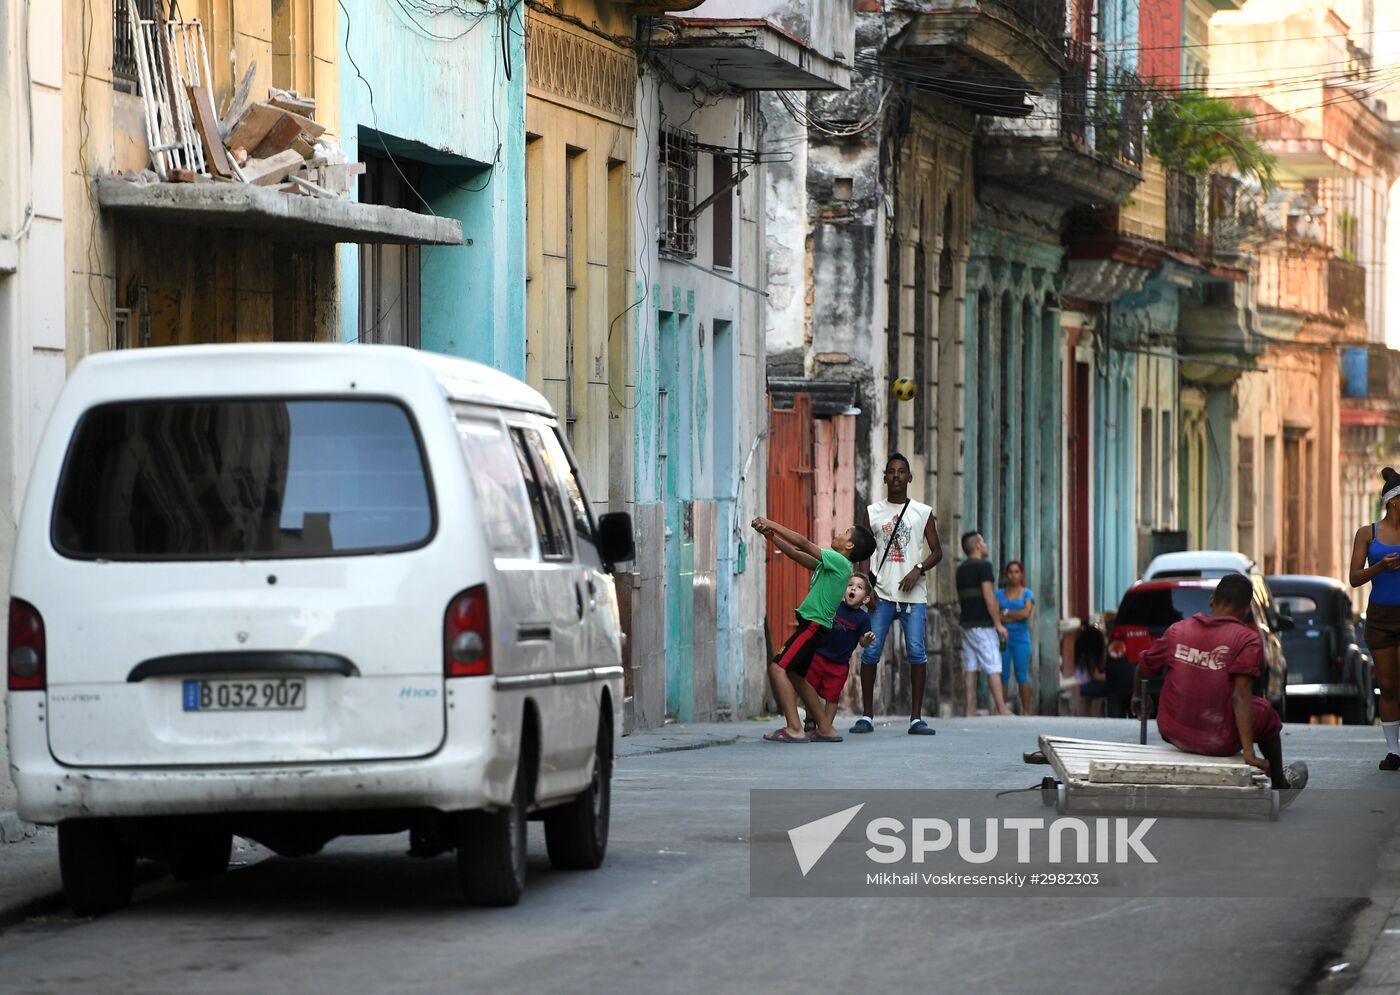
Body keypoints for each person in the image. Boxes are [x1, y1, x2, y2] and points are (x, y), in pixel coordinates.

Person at [1135, 574, 1307, 796]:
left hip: (1172, 730)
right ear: (1245, 611)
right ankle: (1279, 784)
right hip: (1219, 740)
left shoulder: (1178, 630)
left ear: (1211, 600)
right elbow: (1240, 696)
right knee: (1265, 711)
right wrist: (1249, 754)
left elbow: (1142, 667)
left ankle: (1278, 781)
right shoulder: (1247, 639)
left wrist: (1138, 698)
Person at [753, 516, 877, 743]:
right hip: (814, 626)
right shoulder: (832, 565)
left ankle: (794, 728)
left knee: (777, 668)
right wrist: (770, 537)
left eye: (845, 532)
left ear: (849, 546)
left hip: (813, 625)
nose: (839, 533)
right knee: (796, 676)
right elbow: (797, 554)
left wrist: (772, 524)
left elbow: (802, 543)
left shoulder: (840, 562)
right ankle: (826, 727)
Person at [850, 453, 944, 736]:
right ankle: (867, 715)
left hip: (913, 596)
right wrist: (866, 587)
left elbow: (937, 551)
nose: (896, 476)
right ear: (884, 478)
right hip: (881, 594)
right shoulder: (873, 511)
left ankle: (916, 718)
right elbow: (864, 552)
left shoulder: (922, 512)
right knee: (871, 651)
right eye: (891, 472)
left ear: (910, 477)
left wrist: (918, 568)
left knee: (916, 651)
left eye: (902, 472)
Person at [1348, 465, 1400, 770]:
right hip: (1380, 617)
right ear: (1394, 501)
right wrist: (1382, 567)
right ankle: (1394, 751)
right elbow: (1354, 578)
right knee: (1389, 685)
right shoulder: (1368, 533)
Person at [804, 573, 878, 741]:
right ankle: (810, 720)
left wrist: (866, 639)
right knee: (809, 689)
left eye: (859, 587)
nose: (853, 588)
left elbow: (862, 642)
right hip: (819, 656)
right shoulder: (835, 606)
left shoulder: (863, 618)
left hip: (839, 665)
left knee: (832, 697)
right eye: (850, 585)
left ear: (865, 599)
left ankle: (825, 727)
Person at [956, 531, 1012, 716]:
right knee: (993, 663)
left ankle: (969, 709)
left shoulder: (961, 569)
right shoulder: (984, 567)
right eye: (984, 541)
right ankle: (1002, 708)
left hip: (967, 623)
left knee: (971, 665)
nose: (986, 544)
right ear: (978, 545)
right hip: (982, 624)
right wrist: (998, 624)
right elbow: (989, 597)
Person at [996, 560, 1036, 715]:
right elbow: (997, 616)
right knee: (1003, 674)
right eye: (1010, 572)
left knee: (1022, 675)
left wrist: (1006, 613)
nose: (1013, 575)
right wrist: (1013, 615)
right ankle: (1002, 710)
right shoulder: (999, 594)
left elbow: (1026, 614)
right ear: (1006, 575)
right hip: (1003, 640)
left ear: (1021, 575)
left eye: (1016, 571)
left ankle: (1026, 711)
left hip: (1021, 639)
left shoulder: (1027, 594)